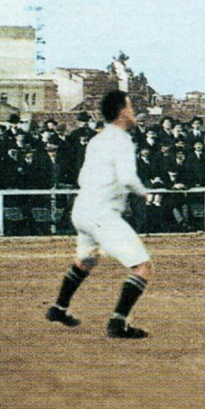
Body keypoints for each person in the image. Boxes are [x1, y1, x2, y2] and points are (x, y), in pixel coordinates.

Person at [46, 90, 154, 338]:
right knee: (142, 266)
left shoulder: (97, 139)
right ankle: (119, 322)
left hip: (83, 209)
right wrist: (146, 194)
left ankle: (59, 308)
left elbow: (84, 176)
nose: (133, 112)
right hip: (102, 214)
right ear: (121, 111)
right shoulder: (122, 140)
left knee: (87, 260)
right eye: (130, 106)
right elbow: (128, 178)